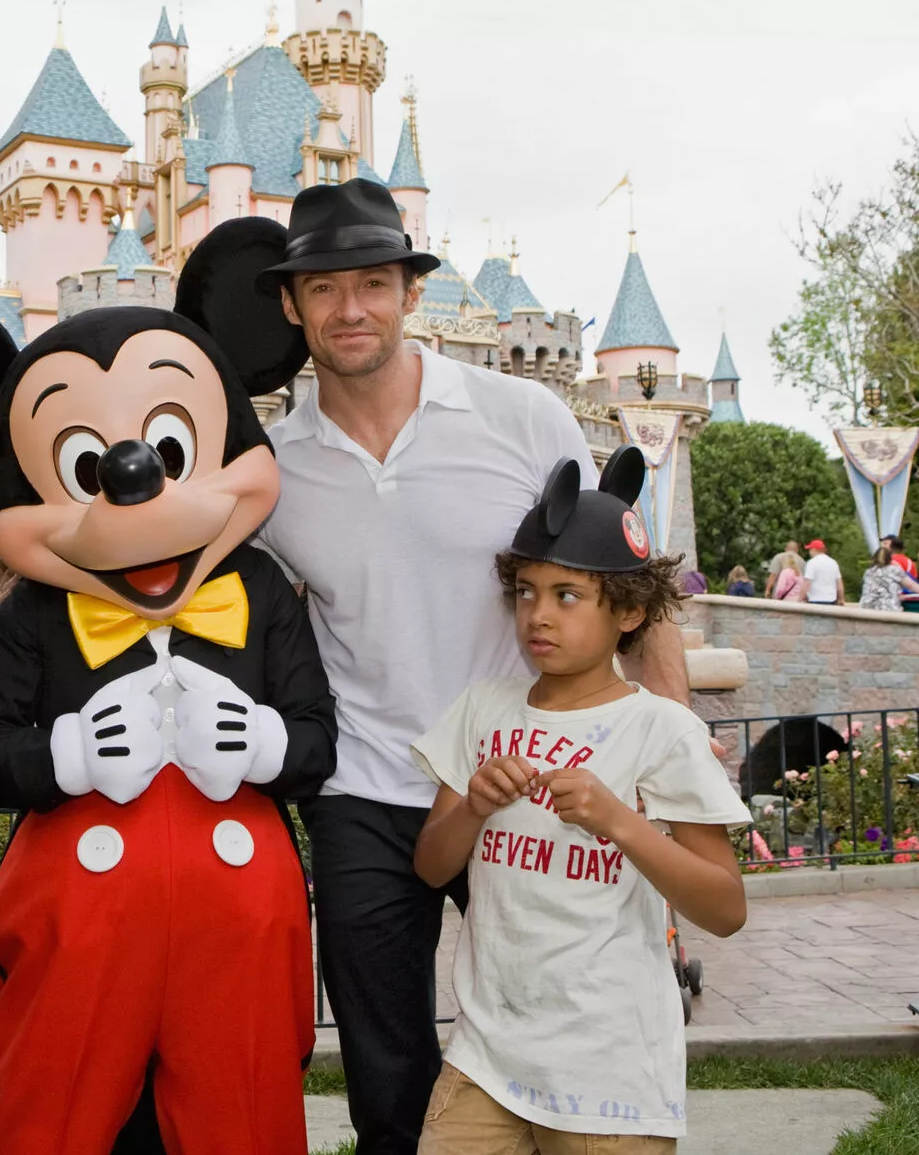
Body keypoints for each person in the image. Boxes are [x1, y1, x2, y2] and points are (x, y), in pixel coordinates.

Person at [255, 178, 694, 1155]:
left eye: (373, 283)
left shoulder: (522, 416)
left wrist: (670, 743)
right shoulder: (273, 469)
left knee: (563, 1037)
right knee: (387, 1077)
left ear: (411, 292)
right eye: (323, 288)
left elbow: (628, 574)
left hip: (520, 776)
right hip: (365, 788)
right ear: (290, 304)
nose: (350, 308)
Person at [0, 218, 337, 1155]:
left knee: (244, 1116)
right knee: (54, 1115)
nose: (133, 480)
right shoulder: (34, 613)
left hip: (237, 921)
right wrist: (66, 755)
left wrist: (262, 743)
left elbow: (317, 736)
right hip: (79, 921)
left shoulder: (260, 589)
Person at [413, 447, 749, 1153]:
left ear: (629, 610)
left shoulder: (661, 730)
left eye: (567, 595)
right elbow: (431, 866)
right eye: (525, 592)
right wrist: (473, 806)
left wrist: (618, 820)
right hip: (486, 1059)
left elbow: (725, 908)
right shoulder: (482, 708)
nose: (538, 615)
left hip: (611, 1073)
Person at [859, 547, 919, 612]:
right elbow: (912, 586)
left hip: (866, 607)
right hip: (888, 608)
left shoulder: (868, 572)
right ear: (890, 558)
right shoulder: (895, 570)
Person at [803, 539, 845, 605]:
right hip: (831, 600)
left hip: (815, 599)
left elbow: (807, 583)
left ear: (814, 549)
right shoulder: (833, 563)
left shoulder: (812, 563)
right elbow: (839, 583)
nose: (809, 552)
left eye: (810, 549)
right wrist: (841, 599)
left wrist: (800, 598)